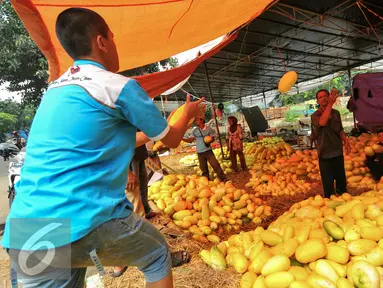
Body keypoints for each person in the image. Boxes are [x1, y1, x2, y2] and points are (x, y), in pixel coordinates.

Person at [2, 8, 205, 288]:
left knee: (72, 271)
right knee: (157, 255)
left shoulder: (55, 91)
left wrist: (150, 132)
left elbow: (102, 143)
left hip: (27, 229)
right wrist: (188, 112)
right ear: (102, 42)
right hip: (80, 218)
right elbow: (171, 139)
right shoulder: (117, 86)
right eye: (113, 37)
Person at [311, 88, 351, 198]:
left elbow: (340, 129)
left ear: (329, 97)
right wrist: (330, 105)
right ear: (317, 101)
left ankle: (343, 199)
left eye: (325, 96)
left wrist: (346, 141)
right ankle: (329, 202)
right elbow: (322, 122)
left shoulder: (336, 113)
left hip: (337, 152)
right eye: (320, 97)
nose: (323, 98)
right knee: (328, 186)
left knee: (341, 184)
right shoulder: (315, 115)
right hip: (325, 154)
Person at [183, 116, 226, 181]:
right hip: (200, 152)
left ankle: (223, 178)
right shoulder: (195, 130)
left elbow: (214, 136)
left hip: (208, 150)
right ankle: (206, 180)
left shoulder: (209, 129)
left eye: (197, 120)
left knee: (215, 165)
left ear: (202, 120)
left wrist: (210, 139)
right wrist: (182, 138)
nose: (196, 121)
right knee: (203, 168)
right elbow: (190, 140)